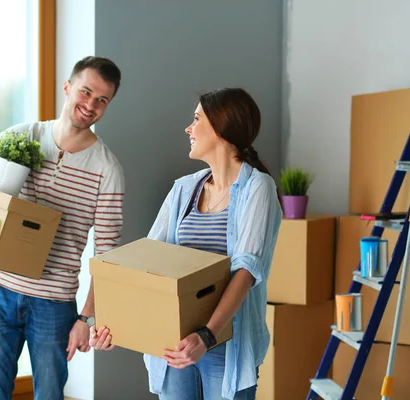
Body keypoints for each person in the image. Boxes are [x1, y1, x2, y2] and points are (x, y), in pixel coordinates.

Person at [0, 56, 125, 400]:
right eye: (86, 92)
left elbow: (107, 255)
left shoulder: (107, 169)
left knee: (49, 395)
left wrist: (87, 318)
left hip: (54, 303)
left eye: (102, 100)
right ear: (67, 88)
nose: (91, 105)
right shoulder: (25, 136)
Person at [89, 87, 282, 400]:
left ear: (222, 126)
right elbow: (146, 263)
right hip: (173, 347)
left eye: (196, 119)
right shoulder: (183, 189)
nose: (188, 128)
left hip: (224, 347)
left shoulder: (258, 188)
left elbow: (245, 272)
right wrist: (114, 323)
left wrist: (206, 336)